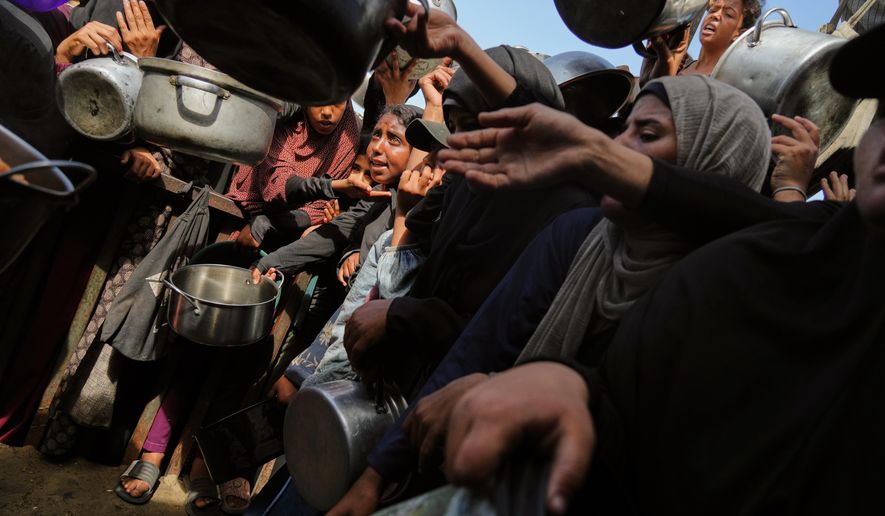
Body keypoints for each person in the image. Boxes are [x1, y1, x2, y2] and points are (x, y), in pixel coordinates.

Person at [438, 21, 885, 515]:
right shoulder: (704, 275)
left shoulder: (755, 290)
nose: (622, 146)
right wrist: (573, 391)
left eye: (649, 133)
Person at [227, 101, 361, 250]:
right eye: (320, 100)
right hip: (243, 219)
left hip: (293, 240)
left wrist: (269, 222)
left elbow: (320, 209)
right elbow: (278, 185)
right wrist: (331, 186)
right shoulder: (285, 120)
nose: (327, 112)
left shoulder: (347, 136)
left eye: (337, 103)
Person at [642, 0, 763, 81]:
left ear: (740, 33)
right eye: (713, 10)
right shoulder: (680, 67)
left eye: (728, 14)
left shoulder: (727, 81)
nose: (715, 15)